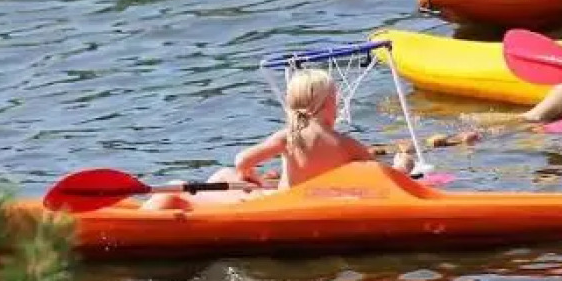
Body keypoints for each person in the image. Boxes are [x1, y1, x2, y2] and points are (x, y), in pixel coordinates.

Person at [141, 69, 408, 209]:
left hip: (285, 202)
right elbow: (381, 176)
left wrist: (252, 176)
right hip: (312, 204)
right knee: (225, 177)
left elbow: (242, 161)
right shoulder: (346, 144)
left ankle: (196, 210)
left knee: (223, 174)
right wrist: (402, 166)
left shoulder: (290, 136)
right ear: (328, 104)